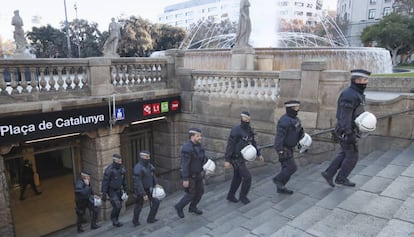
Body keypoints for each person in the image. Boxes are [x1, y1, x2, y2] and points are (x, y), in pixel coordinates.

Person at [321, 69, 371, 188]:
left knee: (345, 153)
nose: (366, 82)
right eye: (364, 80)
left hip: (349, 130)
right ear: (357, 80)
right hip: (347, 131)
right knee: (352, 156)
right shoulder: (349, 95)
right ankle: (341, 178)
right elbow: (345, 117)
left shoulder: (356, 92)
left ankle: (328, 173)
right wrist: (349, 134)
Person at [224, 111, 263, 204]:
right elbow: (230, 145)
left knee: (237, 177)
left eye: (248, 117)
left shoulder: (249, 130)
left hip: (241, 157)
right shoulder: (236, 130)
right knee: (247, 177)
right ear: (242, 118)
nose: (247, 119)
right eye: (245, 117)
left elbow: (253, 142)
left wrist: (258, 153)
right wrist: (227, 160)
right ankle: (243, 196)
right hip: (235, 157)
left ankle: (231, 195)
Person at [174, 128, 208, 218]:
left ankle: (193, 207)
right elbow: (184, 165)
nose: (200, 137)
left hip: (198, 174)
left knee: (200, 191)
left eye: (200, 135)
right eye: (198, 136)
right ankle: (179, 207)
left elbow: (203, 158)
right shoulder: (187, 148)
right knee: (191, 194)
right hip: (190, 176)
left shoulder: (199, 146)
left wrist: (207, 164)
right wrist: (185, 179)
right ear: (192, 137)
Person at [273, 100, 304, 194]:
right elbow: (279, 137)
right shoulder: (284, 121)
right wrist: (280, 150)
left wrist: (302, 139)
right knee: (292, 167)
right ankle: (277, 180)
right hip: (285, 149)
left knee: (285, 168)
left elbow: (299, 132)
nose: (297, 109)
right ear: (290, 108)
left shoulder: (296, 120)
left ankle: (281, 187)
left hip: (291, 148)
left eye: (298, 107)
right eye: (296, 108)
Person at [132, 150, 160, 226]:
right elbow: (138, 183)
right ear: (142, 157)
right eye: (147, 157)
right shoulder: (138, 168)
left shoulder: (149, 166)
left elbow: (153, 175)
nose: (148, 158)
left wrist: (156, 184)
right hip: (141, 190)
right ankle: (135, 221)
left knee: (156, 202)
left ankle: (151, 218)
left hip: (150, 188)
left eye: (149, 156)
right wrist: (143, 194)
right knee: (139, 206)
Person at [101, 154, 128, 227]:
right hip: (111, 191)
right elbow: (105, 182)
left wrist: (126, 190)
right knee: (117, 206)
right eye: (118, 161)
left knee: (119, 206)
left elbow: (124, 180)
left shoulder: (122, 168)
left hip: (119, 190)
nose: (120, 162)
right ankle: (114, 219)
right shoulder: (109, 170)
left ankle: (116, 219)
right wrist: (104, 193)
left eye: (120, 160)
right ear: (114, 161)